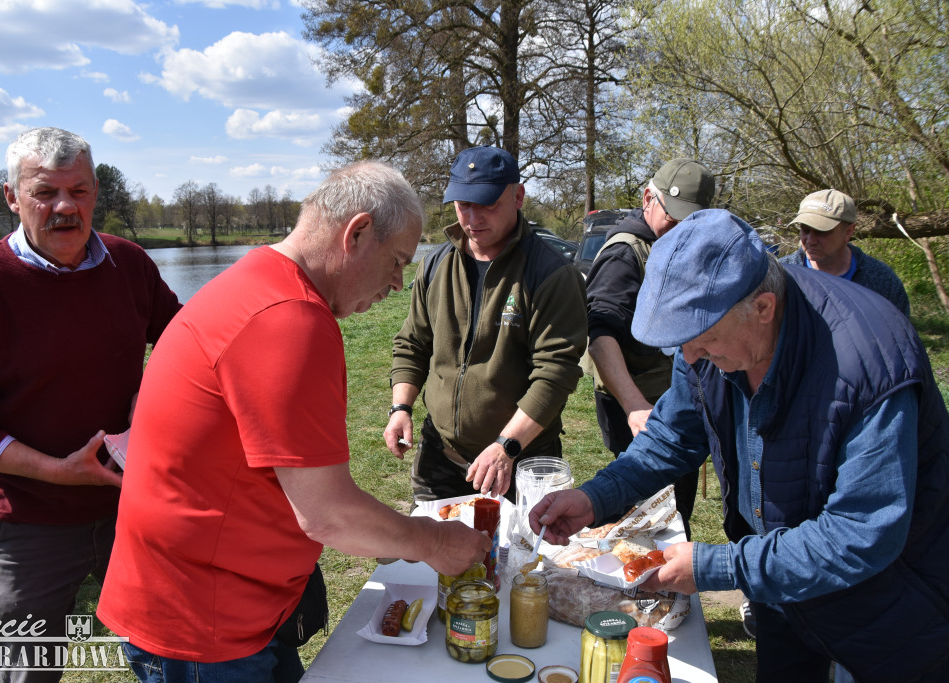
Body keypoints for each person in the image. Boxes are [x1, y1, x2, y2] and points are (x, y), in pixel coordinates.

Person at [96, 161, 492, 682]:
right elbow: (328, 513)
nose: (399, 283)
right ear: (357, 233)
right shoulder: (288, 317)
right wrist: (436, 544)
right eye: (397, 261)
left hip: (218, 605)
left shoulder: (260, 282)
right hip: (204, 625)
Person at [530, 209, 949, 683]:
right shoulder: (709, 333)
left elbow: (862, 533)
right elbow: (671, 436)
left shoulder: (871, 362)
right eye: (682, 345)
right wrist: (595, 497)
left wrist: (721, 566)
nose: (690, 358)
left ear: (764, 308)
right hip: (778, 586)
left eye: (703, 342)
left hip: (887, 603)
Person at [0, 128, 181, 683]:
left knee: (172, 654)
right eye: (45, 193)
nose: (66, 207)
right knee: (28, 672)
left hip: (133, 506)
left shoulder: (129, 263)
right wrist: (58, 472)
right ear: (12, 197)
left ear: (95, 192)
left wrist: (153, 390)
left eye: (79, 191)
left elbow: (185, 343)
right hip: (27, 521)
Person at [384, 146, 587, 502]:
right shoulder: (436, 265)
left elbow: (555, 375)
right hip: (440, 459)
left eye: (487, 203)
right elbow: (413, 343)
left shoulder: (551, 273)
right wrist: (401, 407)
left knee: (522, 542)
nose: (473, 217)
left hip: (520, 462)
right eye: (463, 205)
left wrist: (507, 445)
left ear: (518, 196)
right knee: (430, 539)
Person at [583, 158, 714, 539]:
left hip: (678, 400)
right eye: (673, 219)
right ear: (647, 199)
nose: (680, 230)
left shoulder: (680, 245)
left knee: (674, 511)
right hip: (641, 407)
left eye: (690, 221)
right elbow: (599, 334)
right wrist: (635, 406)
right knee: (645, 518)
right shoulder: (625, 254)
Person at [781, 188, 910, 316]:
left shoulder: (883, 282)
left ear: (848, 232)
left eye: (821, 231)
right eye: (805, 230)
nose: (810, 241)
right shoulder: (781, 275)